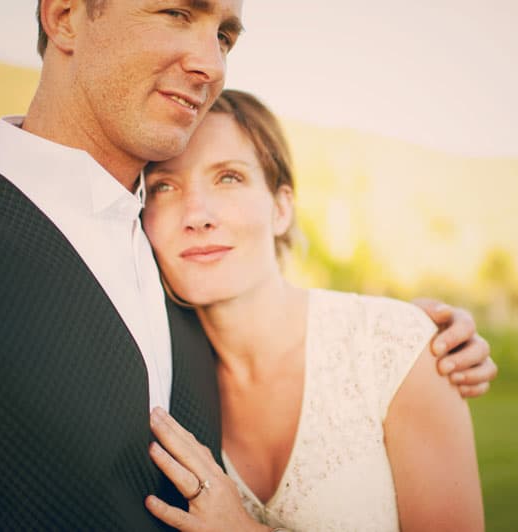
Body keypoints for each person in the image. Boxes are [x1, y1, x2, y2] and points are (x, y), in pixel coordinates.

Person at [0, 2, 494, 530]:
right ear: (65, 15)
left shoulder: (173, 266)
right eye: (177, 12)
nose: (212, 63)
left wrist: (406, 340)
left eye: (224, 35)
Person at [138, 90, 484, 531]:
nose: (198, 215)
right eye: (165, 186)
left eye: (228, 178)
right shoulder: (156, 373)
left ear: (281, 209)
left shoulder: (396, 350)